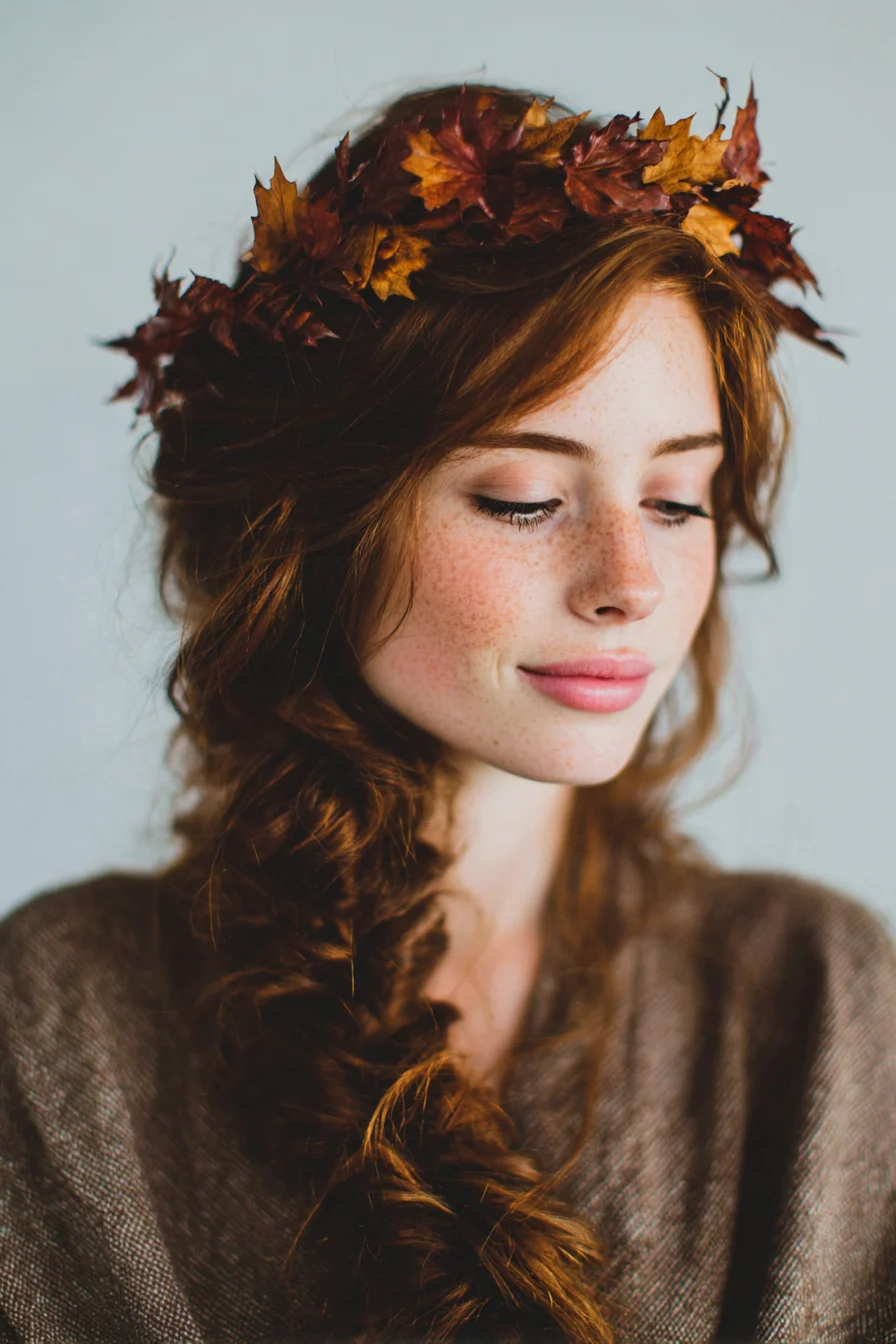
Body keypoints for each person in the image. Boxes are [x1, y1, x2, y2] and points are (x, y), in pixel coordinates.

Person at [0, 76, 893, 1344]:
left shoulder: (820, 1001)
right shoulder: (61, 1016)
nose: (628, 586)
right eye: (525, 497)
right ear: (314, 526)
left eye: (678, 500)